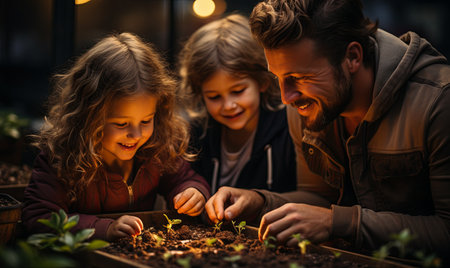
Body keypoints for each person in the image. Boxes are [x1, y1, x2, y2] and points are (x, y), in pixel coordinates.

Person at [205, 0, 450, 260]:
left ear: (352, 57)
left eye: (299, 77)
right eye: (278, 77)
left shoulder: (438, 103)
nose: (286, 97)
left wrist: (338, 222)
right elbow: (319, 197)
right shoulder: (306, 104)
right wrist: (260, 201)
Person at [22, 32, 210, 241]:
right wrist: (104, 229)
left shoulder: (158, 147)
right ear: (89, 114)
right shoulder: (61, 157)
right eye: (121, 124)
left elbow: (183, 178)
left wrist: (192, 191)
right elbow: (39, 217)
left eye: (146, 120)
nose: (136, 135)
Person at [178, 14, 297, 195]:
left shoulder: (288, 128)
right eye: (214, 96)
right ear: (200, 95)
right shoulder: (196, 136)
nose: (228, 105)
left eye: (238, 91)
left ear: (263, 81)